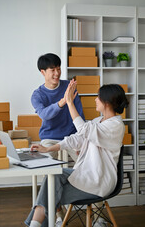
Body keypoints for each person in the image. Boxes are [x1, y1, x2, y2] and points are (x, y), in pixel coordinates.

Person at [25, 82, 129, 227]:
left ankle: (35, 224)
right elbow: (77, 138)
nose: (95, 99)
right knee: (53, 176)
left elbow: (84, 129)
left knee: (50, 194)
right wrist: (47, 149)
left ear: (107, 102)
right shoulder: (98, 121)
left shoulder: (115, 125)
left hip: (98, 182)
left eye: (98, 97)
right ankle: (35, 225)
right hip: (85, 175)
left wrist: (69, 103)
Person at [31, 53, 84, 158]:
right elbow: (44, 115)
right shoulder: (37, 95)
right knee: (46, 166)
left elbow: (79, 115)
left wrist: (81, 138)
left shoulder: (69, 87)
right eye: (52, 70)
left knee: (85, 164)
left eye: (58, 69)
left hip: (72, 136)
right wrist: (62, 102)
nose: (57, 73)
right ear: (43, 72)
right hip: (50, 137)